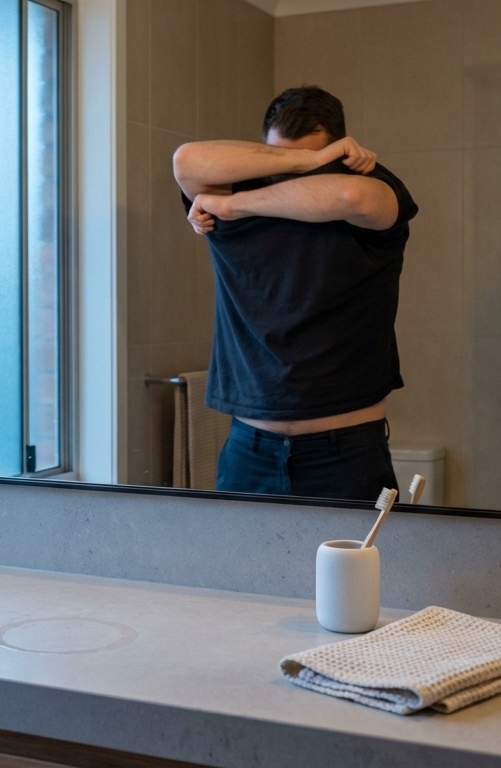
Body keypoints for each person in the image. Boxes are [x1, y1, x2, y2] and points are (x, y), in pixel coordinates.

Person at [172, 85, 418, 501]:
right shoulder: (233, 188)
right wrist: (311, 159)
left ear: (342, 155)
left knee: (355, 570)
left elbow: (351, 195)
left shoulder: (369, 191)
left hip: (348, 452)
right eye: (283, 162)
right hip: (248, 450)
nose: (293, 175)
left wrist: (236, 207)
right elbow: (186, 160)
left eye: (314, 164)